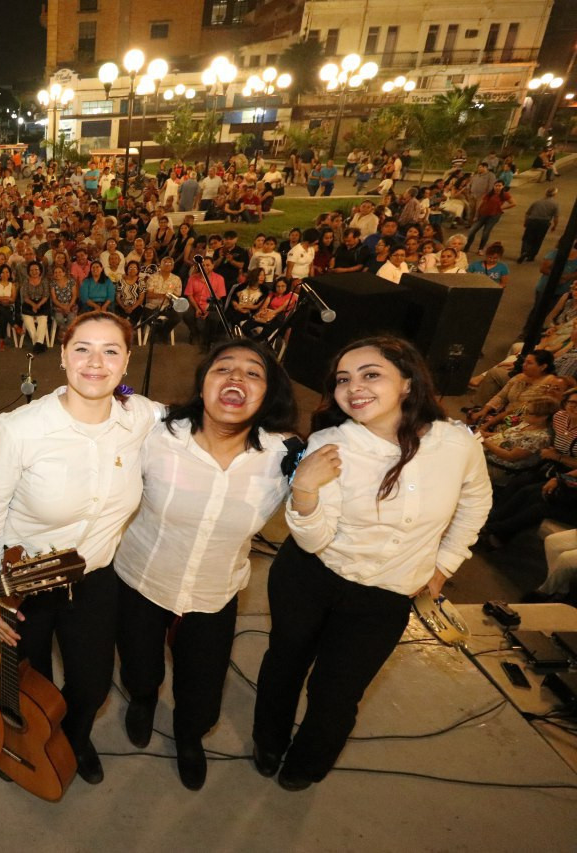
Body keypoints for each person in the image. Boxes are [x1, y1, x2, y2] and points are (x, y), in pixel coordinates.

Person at [252, 336, 491, 791]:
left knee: (337, 692)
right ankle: (268, 740)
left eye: (371, 374)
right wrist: (304, 488)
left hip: (385, 595)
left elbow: (476, 502)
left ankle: (306, 764)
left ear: (407, 382)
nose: (353, 388)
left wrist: (444, 565)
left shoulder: (456, 443)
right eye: (343, 379)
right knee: (285, 662)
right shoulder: (330, 444)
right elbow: (316, 538)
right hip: (311, 576)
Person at [0, 311, 157, 786]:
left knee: (92, 685)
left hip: (93, 579)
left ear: (126, 361)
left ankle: (73, 740)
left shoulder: (140, 417)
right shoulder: (17, 429)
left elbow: (199, 420)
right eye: (83, 349)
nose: (96, 362)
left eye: (110, 351)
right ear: (62, 356)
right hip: (25, 580)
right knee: (29, 682)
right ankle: (27, 738)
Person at [116, 340, 298, 789]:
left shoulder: (284, 457)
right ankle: (141, 700)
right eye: (224, 369)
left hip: (214, 593)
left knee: (202, 693)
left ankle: (189, 738)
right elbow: (109, 399)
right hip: (141, 578)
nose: (237, 378)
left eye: (253, 373)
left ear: (269, 392)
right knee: (140, 667)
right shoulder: (157, 433)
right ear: (202, 385)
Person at [519, 187, 559, 263]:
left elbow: (528, 213)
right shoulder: (555, 204)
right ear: (555, 195)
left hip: (532, 221)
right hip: (543, 223)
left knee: (527, 238)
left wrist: (526, 222)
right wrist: (555, 226)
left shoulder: (537, 202)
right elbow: (556, 217)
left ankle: (524, 252)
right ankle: (531, 255)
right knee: (538, 240)